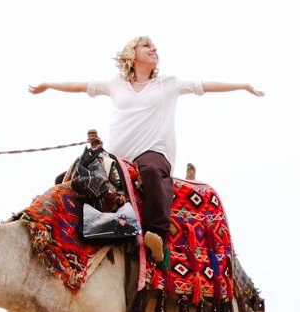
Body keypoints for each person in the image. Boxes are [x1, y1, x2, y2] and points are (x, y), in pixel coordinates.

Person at [28, 37, 263, 266]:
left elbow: (203, 86)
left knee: (151, 172)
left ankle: (156, 236)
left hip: (153, 151)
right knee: (69, 178)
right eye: (146, 45)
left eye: (154, 46)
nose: (154, 48)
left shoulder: (167, 84)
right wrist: (48, 85)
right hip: (117, 156)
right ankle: (83, 234)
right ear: (133, 53)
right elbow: (80, 87)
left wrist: (243, 86)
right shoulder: (115, 84)